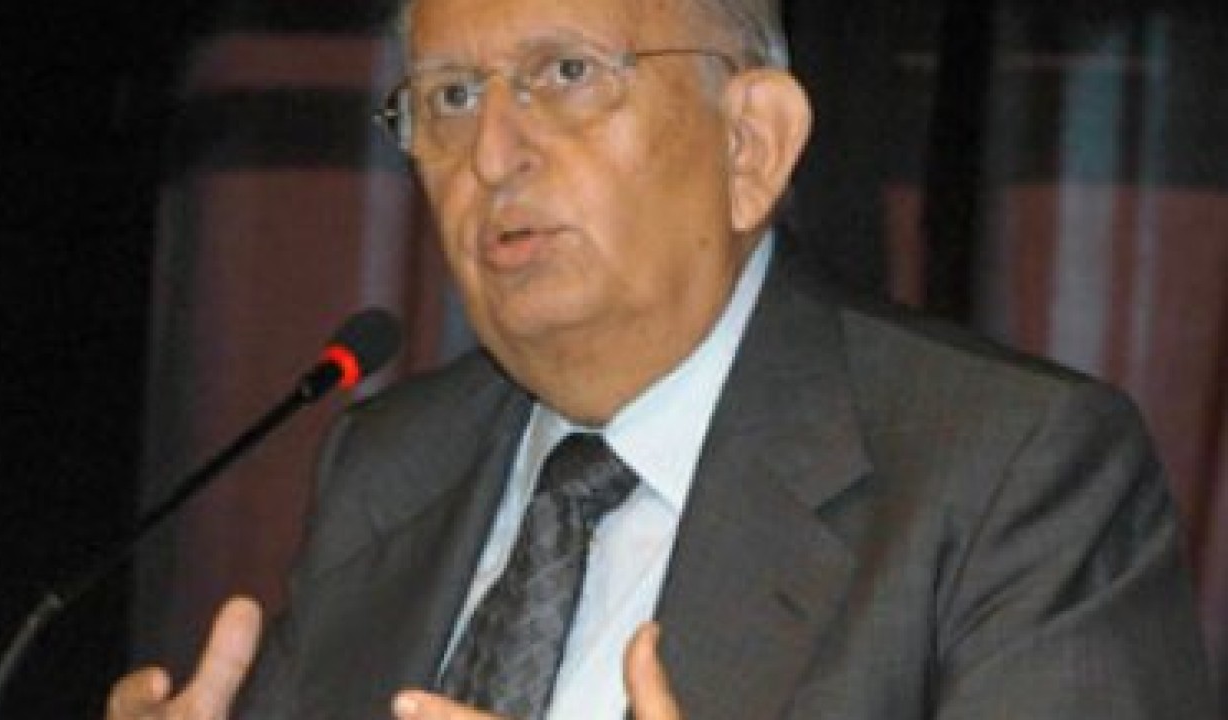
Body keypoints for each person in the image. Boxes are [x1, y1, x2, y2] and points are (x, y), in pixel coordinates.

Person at [107, 0, 1215, 717]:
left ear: (751, 144)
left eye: (566, 73)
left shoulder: (1006, 472)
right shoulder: (387, 464)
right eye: (449, 96)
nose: (492, 153)